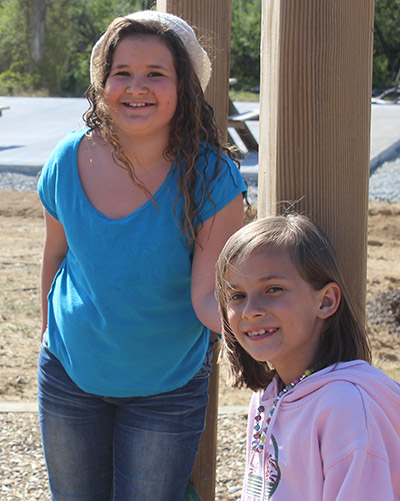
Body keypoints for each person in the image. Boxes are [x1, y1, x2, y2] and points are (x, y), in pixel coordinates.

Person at [37, 10, 247, 500]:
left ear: (184, 87)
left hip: (166, 388)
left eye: (156, 73)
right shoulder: (67, 160)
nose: (137, 86)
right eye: (122, 73)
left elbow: (205, 296)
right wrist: (49, 331)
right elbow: (55, 258)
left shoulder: (212, 179)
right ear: (102, 84)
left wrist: (260, 337)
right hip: (69, 377)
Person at [215, 214, 400, 500]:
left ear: (325, 301)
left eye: (273, 289)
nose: (251, 310)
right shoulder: (268, 397)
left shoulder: (346, 408)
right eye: (237, 296)